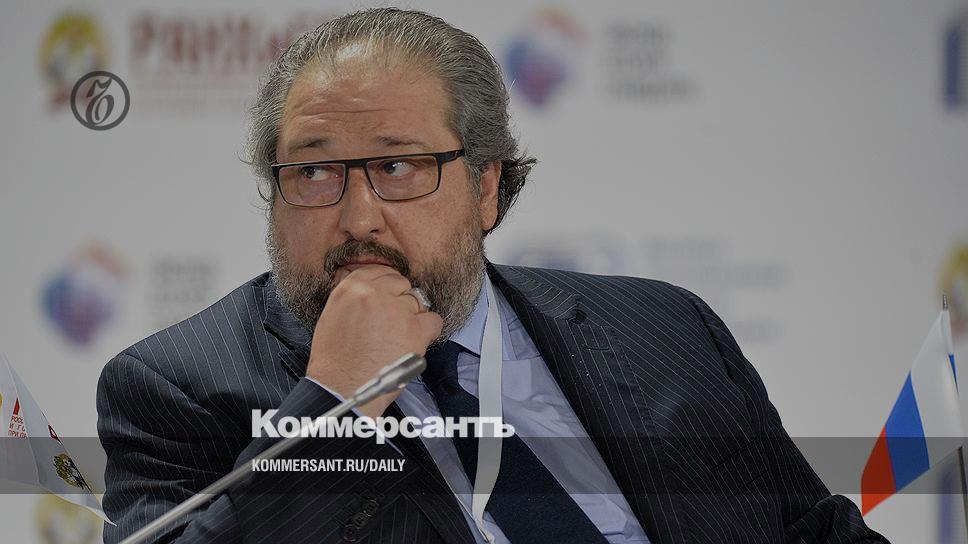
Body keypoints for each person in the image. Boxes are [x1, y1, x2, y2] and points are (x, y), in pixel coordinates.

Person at [96, 7, 888, 544]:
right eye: (314, 173)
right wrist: (336, 403)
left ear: (485, 187)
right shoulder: (179, 389)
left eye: (398, 167)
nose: (359, 217)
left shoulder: (667, 329)